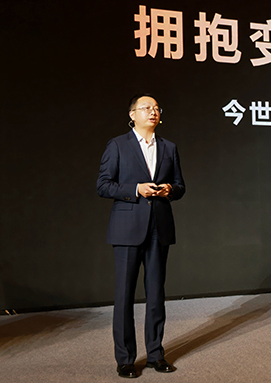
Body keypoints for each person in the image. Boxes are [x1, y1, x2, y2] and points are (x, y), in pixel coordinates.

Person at [97, 94, 185, 378]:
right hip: (127, 228)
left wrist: (170, 190)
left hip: (159, 227)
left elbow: (181, 186)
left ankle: (155, 354)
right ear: (132, 114)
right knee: (124, 295)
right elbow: (103, 185)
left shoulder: (169, 147)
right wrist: (136, 189)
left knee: (156, 293)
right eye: (146, 108)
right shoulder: (117, 145)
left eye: (157, 108)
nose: (153, 112)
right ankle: (125, 358)